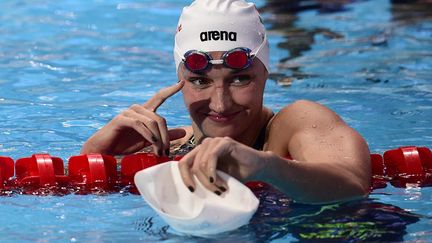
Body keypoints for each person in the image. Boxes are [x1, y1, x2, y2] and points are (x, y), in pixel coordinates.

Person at [81, 0, 371, 204]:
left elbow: (352, 183)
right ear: (179, 78)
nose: (220, 104)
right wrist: (94, 158)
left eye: (240, 79)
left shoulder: (293, 124)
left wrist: (266, 166)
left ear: (266, 74)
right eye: (200, 81)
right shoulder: (167, 146)